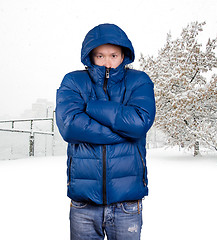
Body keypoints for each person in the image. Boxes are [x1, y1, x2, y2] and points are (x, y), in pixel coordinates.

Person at [55, 23, 155, 240]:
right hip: (84, 205)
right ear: (90, 56)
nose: (107, 62)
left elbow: (139, 122)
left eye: (113, 55)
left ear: (123, 55)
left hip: (127, 204)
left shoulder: (139, 81)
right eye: (100, 56)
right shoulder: (73, 81)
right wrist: (123, 131)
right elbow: (69, 126)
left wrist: (90, 108)